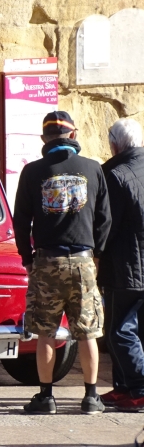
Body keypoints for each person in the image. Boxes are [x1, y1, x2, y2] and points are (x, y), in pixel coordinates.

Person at [13, 110, 111, 415]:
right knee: (88, 332)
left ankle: (46, 397)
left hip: (46, 262)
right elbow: (104, 220)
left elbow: (20, 221)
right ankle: (91, 397)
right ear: (75, 134)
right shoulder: (93, 169)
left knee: (46, 332)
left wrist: (27, 259)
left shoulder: (32, 172)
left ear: (44, 139)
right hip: (82, 263)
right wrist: (96, 256)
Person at [96, 118, 144, 412]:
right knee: (136, 330)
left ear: (114, 143)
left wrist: (95, 251)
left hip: (125, 267)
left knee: (119, 331)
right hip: (136, 266)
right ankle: (124, 386)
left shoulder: (114, 174)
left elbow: (106, 225)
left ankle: (138, 387)